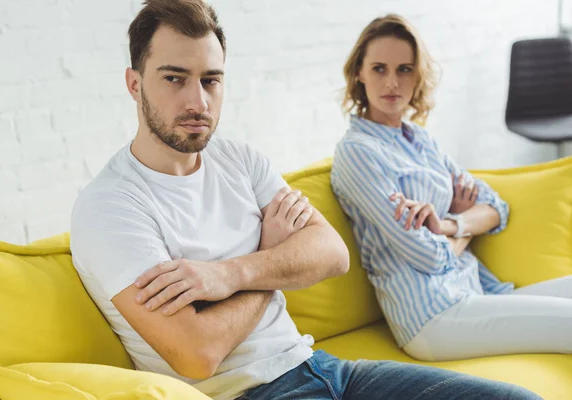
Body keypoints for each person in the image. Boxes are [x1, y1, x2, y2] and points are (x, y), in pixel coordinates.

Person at [70, 1, 541, 399]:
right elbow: (198, 354)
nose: (198, 102)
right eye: (175, 78)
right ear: (135, 84)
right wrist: (271, 258)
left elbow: (332, 254)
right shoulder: (111, 207)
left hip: (325, 369)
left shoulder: (239, 160)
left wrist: (230, 274)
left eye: (211, 80)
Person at [331, 13, 572, 363]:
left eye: (405, 69)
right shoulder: (357, 153)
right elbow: (430, 256)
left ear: (418, 76)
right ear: (359, 73)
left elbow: (495, 207)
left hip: (480, 292)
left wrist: (449, 225)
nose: (392, 83)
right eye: (379, 68)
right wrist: (464, 227)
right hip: (434, 316)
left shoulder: (421, 140)